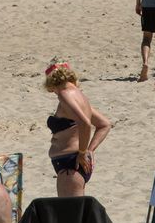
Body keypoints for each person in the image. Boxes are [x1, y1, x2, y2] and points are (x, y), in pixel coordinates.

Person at [43, 61, 111, 196]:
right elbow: (104, 124)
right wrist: (90, 150)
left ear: (52, 82)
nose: (53, 93)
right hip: (73, 162)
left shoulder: (64, 94)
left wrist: (82, 152)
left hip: (70, 164)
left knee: (69, 214)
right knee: (76, 211)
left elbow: (85, 124)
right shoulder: (80, 96)